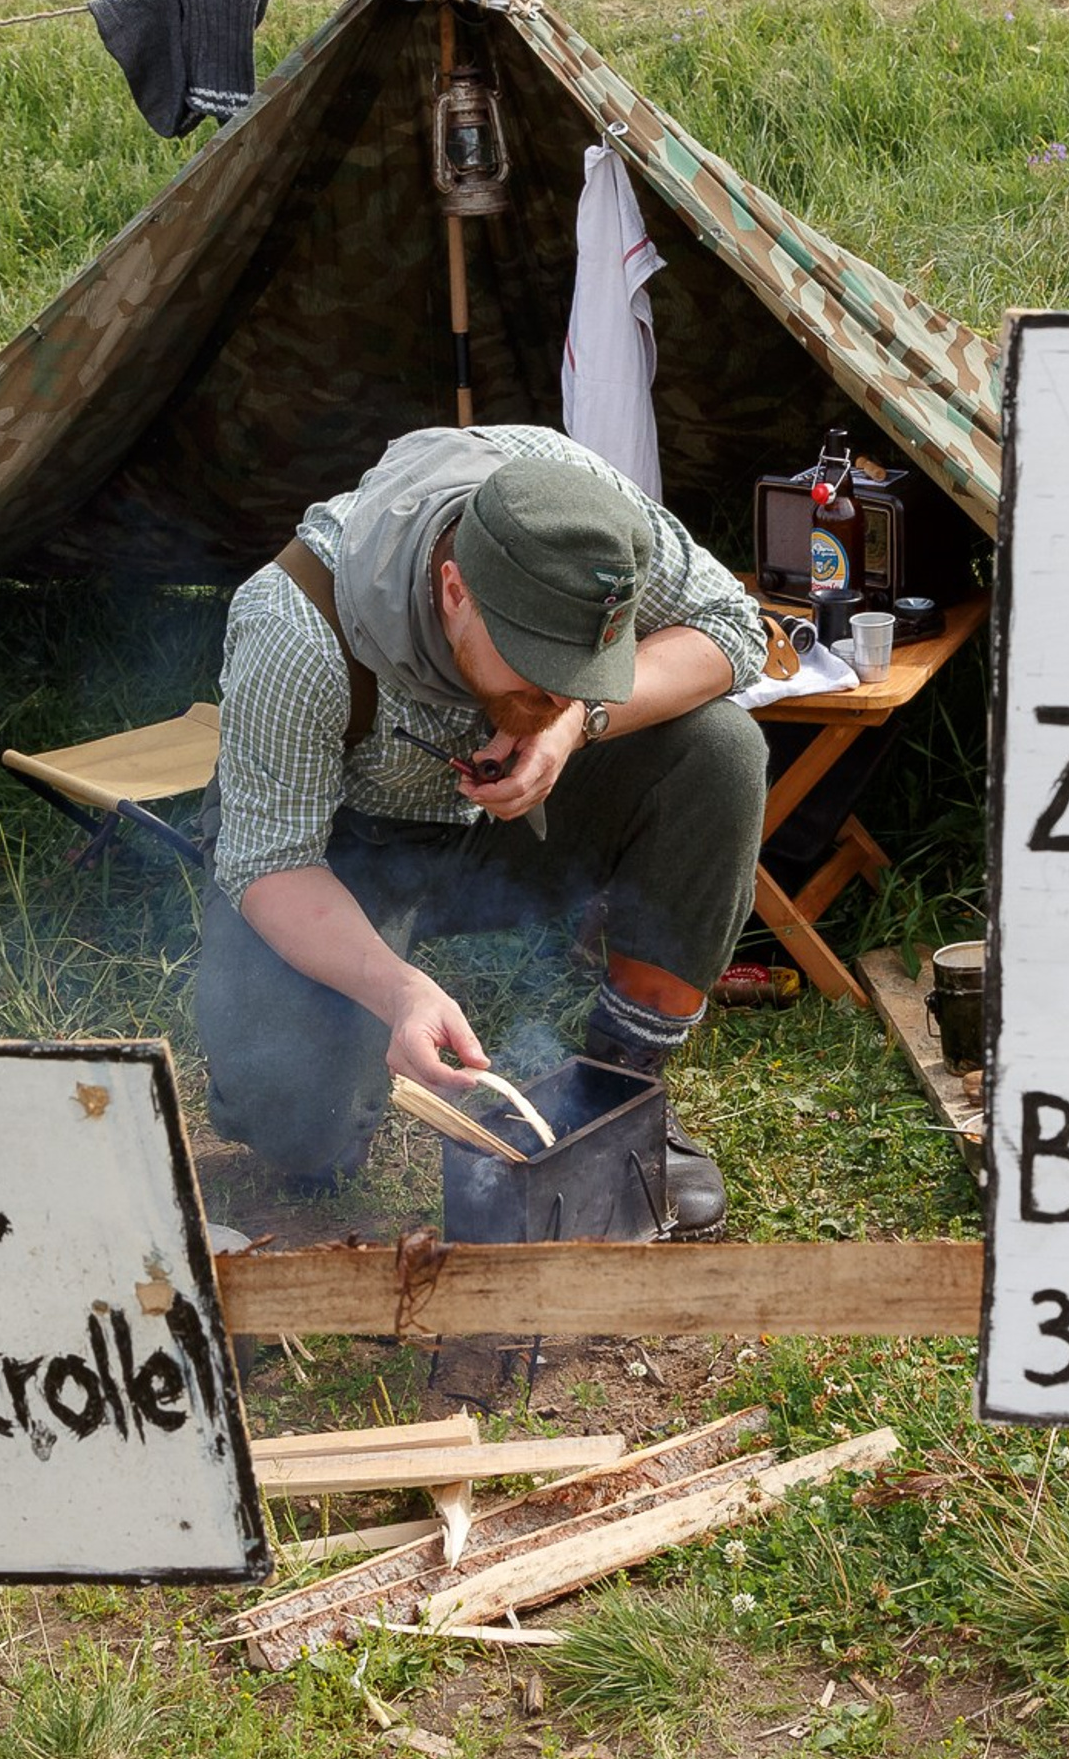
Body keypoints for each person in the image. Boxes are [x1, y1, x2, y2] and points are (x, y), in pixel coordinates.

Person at [195, 424, 768, 1231]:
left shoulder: (580, 513)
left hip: (508, 831)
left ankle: (619, 1094)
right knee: (299, 1133)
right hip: (344, 855)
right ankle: (330, 1068)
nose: (563, 687)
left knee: (718, 750)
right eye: (540, 665)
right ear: (457, 589)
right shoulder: (297, 625)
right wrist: (398, 993)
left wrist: (573, 725)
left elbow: (735, 629)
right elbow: (271, 861)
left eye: (583, 669)